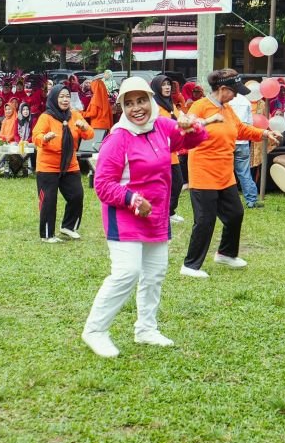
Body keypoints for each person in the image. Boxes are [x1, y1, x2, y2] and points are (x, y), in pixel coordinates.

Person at [82, 77, 207, 358]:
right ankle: (95, 330)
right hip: (125, 215)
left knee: (154, 274)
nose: (136, 108)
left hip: (157, 214)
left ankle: (146, 329)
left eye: (141, 101)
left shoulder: (162, 125)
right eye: (129, 103)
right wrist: (131, 199)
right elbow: (102, 185)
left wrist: (193, 126)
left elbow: (193, 141)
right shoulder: (118, 138)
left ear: (150, 101)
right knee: (127, 272)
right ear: (122, 107)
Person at [181, 69, 282, 278]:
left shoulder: (227, 109)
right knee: (205, 221)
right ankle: (190, 266)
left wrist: (264, 133)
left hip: (225, 175)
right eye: (234, 91)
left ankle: (226, 253)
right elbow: (187, 129)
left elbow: (241, 130)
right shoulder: (201, 107)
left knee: (235, 214)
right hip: (204, 174)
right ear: (223, 89)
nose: (236, 95)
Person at [32, 84, 94, 242]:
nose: (65, 99)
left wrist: (84, 126)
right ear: (54, 98)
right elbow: (36, 136)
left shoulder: (75, 115)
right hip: (48, 166)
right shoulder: (46, 117)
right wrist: (45, 138)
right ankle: (47, 235)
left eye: (67, 96)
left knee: (77, 195)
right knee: (48, 200)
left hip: (69, 163)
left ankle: (68, 227)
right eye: (61, 96)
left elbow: (90, 134)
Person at [151, 75, 186, 221]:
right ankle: (160, 212)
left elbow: (179, 120)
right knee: (158, 185)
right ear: (157, 88)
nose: (167, 87)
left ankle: (169, 211)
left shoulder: (170, 104)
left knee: (177, 183)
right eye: (163, 85)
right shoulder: (154, 107)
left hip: (171, 152)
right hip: (157, 152)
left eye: (168, 85)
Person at [227, 83, 259, 208]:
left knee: (226, 173)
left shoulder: (225, 102)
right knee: (244, 173)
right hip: (243, 142)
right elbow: (249, 123)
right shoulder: (246, 101)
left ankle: (228, 200)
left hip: (228, 140)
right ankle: (251, 200)